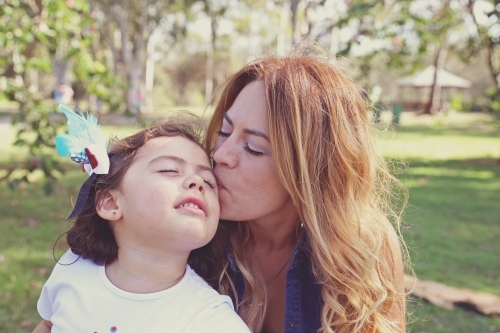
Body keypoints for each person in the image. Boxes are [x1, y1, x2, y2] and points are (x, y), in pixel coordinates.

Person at [189, 52, 409, 333]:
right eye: (225, 131)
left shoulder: (365, 248)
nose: (221, 155)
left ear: (310, 171)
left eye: (253, 147)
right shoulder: (194, 235)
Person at [33, 113, 250, 333]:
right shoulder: (73, 270)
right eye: (170, 170)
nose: (197, 182)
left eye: (209, 182)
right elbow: (48, 325)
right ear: (110, 203)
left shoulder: (212, 320)